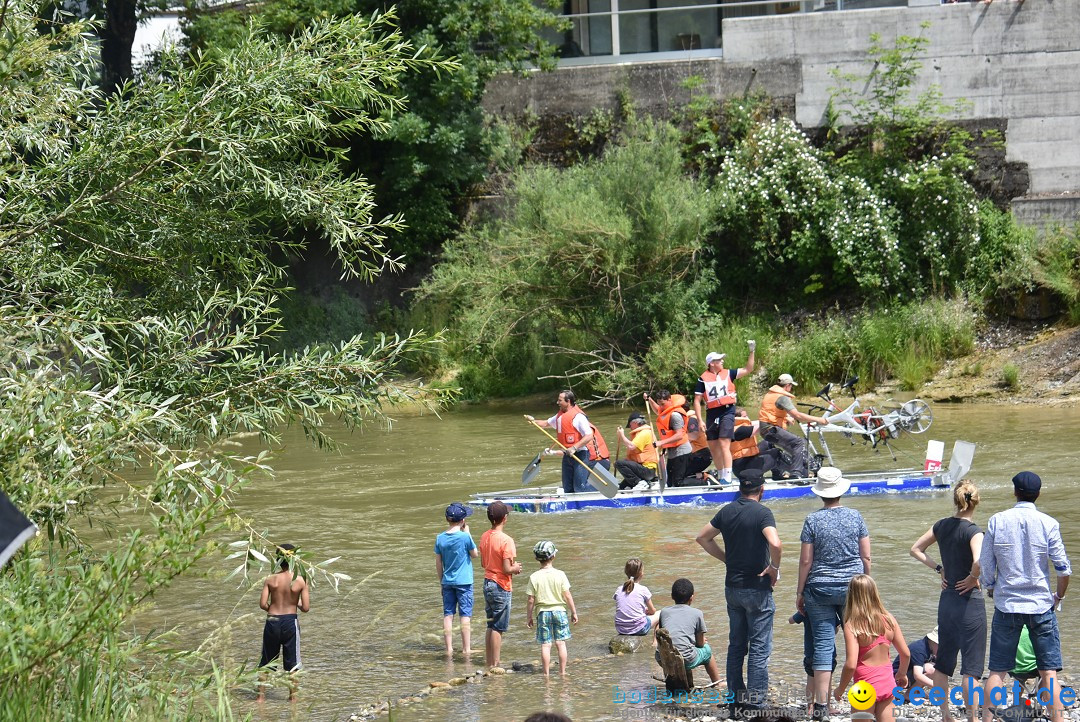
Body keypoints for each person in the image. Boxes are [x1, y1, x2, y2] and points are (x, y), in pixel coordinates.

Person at [979, 472, 1071, 722]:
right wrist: (1059, 597)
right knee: (1048, 671)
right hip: (1041, 605)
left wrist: (990, 586)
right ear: (1038, 494)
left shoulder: (997, 520)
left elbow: (986, 564)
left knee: (997, 670)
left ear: (1015, 492)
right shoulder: (1049, 523)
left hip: (1007, 604)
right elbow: (1064, 569)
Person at [695, 467, 781, 709]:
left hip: (732, 588)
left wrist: (726, 559)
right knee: (759, 648)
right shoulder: (763, 513)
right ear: (762, 489)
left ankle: (735, 698)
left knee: (736, 645)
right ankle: (755, 703)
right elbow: (775, 542)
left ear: (740, 489)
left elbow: (702, 538)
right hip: (758, 588)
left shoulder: (727, 511)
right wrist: (774, 567)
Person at [796, 467, 871, 722]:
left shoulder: (812, 520)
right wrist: (867, 582)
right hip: (852, 588)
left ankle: (820, 707)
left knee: (823, 645)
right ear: (841, 490)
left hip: (819, 589)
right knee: (859, 642)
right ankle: (863, 698)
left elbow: (806, 560)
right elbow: (866, 556)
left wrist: (800, 592)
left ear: (821, 493)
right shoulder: (856, 516)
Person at [910, 479, 986, 722]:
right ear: (976, 501)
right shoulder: (974, 532)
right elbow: (979, 561)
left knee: (943, 664)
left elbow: (915, 549)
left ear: (956, 500)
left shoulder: (941, 526)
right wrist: (973, 578)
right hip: (969, 602)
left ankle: (945, 716)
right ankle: (973, 719)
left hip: (947, 601)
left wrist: (939, 568)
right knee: (971, 669)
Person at [833, 574, 911, 722]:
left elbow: (850, 665)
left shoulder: (852, 625)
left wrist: (840, 689)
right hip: (887, 685)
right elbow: (906, 654)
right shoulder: (889, 619)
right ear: (875, 593)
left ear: (852, 596)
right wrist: (901, 674)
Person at [693, 344, 755, 484]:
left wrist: (752, 351)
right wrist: (699, 420)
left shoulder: (729, 373)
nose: (722, 361)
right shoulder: (702, 379)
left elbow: (748, 369)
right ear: (712, 363)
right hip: (712, 412)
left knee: (723, 443)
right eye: (719, 360)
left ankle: (727, 477)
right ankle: (721, 476)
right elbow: (697, 401)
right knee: (713, 446)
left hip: (727, 410)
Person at [526, 390, 610, 494]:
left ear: (568, 401)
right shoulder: (559, 416)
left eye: (560, 400)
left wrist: (574, 448)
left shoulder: (579, 417)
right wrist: (533, 421)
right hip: (567, 456)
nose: (557, 402)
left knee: (580, 488)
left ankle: (601, 488)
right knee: (568, 489)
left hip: (581, 454)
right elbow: (545, 423)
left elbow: (589, 435)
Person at [257, 543, 311, 702]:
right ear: (295, 558)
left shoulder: (270, 579)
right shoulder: (301, 580)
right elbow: (306, 608)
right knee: (293, 662)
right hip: (290, 622)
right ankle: (293, 698)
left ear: (278, 560)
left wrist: (273, 609)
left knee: (266, 660)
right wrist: (295, 604)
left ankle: (260, 698)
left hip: (272, 620)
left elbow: (262, 604)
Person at [479, 500, 523, 670]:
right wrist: (516, 568)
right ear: (505, 518)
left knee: (490, 624)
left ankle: (489, 662)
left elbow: (484, 563)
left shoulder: (484, 536)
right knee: (498, 627)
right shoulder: (507, 540)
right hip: (501, 585)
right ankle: (496, 664)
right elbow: (506, 569)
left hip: (487, 582)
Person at [758, 373, 828, 480]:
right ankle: (796, 474)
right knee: (798, 442)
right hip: (771, 429)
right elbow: (798, 415)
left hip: (765, 429)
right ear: (787, 386)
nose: (791, 388)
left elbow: (770, 412)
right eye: (791, 386)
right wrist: (819, 419)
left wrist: (786, 418)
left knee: (792, 447)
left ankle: (794, 473)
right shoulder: (782, 397)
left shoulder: (770, 394)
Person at [654, 578, 721, 685]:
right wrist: (703, 641)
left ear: (672, 596)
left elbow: (667, 636)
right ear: (692, 597)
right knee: (707, 652)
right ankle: (717, 682)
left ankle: (673, 679)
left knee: (679, 648)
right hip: (686, 659)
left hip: (662, 658)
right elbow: (700, 644)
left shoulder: (664, 612)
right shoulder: (697, 613)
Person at [526, 541, 577, 676]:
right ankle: (562, 672)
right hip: (560, 611)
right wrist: (573, 612)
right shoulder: (560, 574)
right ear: (553, 556)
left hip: (542, 613)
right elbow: (567, 595)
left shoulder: (534, 577)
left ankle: (546, 674)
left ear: (537, 558)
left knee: (546, 644)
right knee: (560, 643)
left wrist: (529, 616)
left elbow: (531, 599)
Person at [435, 502, 479, 657]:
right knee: (465, 615)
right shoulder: (464, 537)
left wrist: (441, 582)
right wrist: (468, 533)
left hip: (447, 581)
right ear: (462, 521)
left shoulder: (440, 538)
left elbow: (438, 563)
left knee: (448, 614)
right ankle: (466, 649)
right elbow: (475, 554)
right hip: (464, 582)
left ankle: (449, 649)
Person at [647, 391, 692, 487]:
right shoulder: (664, 410)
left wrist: (661, 443)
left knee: (678, 482)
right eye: (659, 404)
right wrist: (649, 399)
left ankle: (706, 480)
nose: (661, 407)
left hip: (681, 451)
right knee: (670, 483)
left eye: (662, 404)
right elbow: (657, 409)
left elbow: (679, 435)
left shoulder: (675, 415)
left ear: (669, 400)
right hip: (672, 452)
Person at [613, 557, 660, 636]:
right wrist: (648, 611)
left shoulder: (619, 589)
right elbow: (652, 611)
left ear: (626, 572)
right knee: (662, 614)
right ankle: (655, 643)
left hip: (620, 628)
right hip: (639, 628)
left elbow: (626, 607)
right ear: (641, 573)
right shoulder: (643, 589)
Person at [892, 627, 938, 704]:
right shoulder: (919, 649)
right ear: (934, 642)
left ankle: (916, 691)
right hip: (898, 679)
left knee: (936, 667)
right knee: (931, 669)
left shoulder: (931, 648)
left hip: (908, 675)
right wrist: (938, 686)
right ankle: (910, 694)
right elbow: (918, 675)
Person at [614, 413, 658, 490]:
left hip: (647, 470)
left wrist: (622, 435)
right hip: (644, 469)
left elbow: (631, 446)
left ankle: (639, 482)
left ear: (635, 423)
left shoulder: (644, 433)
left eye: (630, 425)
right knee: (622, 487)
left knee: (619, 463)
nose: (630, 428)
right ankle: (638, 483)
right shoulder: (643, 432)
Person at [684, 409, 715, 481]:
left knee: (681, 474)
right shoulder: (690, 418)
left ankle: (706, 476)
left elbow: (694, 435)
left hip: (701, 455)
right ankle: (706, 475)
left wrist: (678, 438)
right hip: (700, 455)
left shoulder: (691, 419)